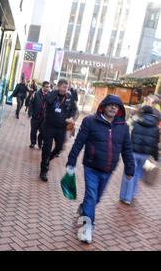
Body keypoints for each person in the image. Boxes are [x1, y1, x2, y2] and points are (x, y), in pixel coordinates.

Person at [65, 95, 135, 244]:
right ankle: (87, 228)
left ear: (120, 109)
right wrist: (71, 161)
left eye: (116, 106)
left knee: (96, 198)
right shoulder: (90, 121)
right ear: (104, 106)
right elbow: (79, 142)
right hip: (91, 167)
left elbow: (127, 149)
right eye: (110, 105)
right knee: (91, 195)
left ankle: (84, 208)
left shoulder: (123, 127)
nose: (113, 107)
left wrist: (130, 169)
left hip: (108, 170)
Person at [119, 105, 159, 205]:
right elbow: (155, 143)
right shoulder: (155, 126)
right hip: (145, 155)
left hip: (133, 151)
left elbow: (126, 128)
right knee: (137, 174)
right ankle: (133, 194)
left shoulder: (137, 121)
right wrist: (155, 156)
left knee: (128, 173)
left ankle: (126, 197)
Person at [39, 79, 77, 182]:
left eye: (67, 87)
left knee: (59, 148)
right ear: (59, 86)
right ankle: (43, 170)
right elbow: (47, 100)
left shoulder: (69, 97)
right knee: (46, 148)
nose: (66, 89)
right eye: (64, 87)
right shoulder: (52, 95)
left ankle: (47, 160)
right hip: (49, 126)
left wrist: (72, 118)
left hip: (61, 128)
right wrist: (56, 92)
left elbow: (74, 110)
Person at [28, 81, 50, 149]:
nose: (48, 88)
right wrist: (30, 112)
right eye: (46, 87)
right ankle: (33, 143)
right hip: (35, 116)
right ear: (43, 87)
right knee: (33, 131)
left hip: (44, 118)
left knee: (43, 132)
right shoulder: (36, 93)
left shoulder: (50, 95)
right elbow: (31, 103)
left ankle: (40, 143)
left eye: (49, 87)